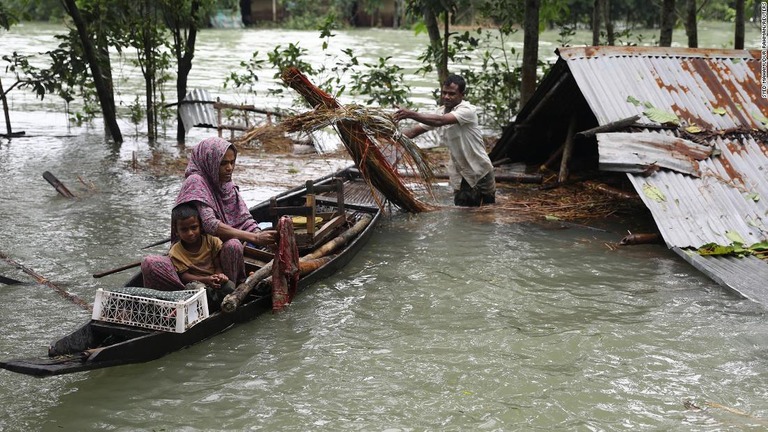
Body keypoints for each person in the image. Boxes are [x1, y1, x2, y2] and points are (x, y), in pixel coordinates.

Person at [141, 137, 276, 291]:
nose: (229, 168)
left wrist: (263, 237)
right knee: (149, 263)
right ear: (210, 162)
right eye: (223, 163)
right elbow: (211, 224)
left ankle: (226, 291)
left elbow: (244, 219)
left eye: (232, 162)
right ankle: (190, 292)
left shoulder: (226, 184)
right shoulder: (196, 181)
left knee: (233, 245)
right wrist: (255, 238)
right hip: (189, 259)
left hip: (218, 257)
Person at [394, 74, 496, 206]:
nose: (446, 97)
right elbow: (414, 131)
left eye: (452, 94)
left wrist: (410, 114)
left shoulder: (467, 110)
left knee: (486, 213)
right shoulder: (440, 112)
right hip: (460, 173)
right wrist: (389, 137)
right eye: (444, 93)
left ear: (462, 95)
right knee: (463, 214)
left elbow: (440, 121)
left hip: (479, 171)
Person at [168, 203, 235, 308]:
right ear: (176, 231)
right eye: (184, 230)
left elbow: (218, 266)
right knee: (198, 289)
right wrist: (206, 280)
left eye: (194, 227)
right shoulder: (175, 252)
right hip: (197, 283)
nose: (190, 233)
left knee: (230, 285)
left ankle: (216, 304)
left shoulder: (211, 241)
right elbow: (184, 276)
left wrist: (219, 277)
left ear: (201, 226)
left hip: (213, 281)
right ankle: (209, 306)